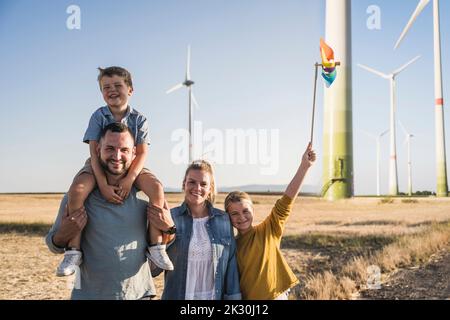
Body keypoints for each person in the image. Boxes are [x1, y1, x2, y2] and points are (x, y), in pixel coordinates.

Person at [56, 66, 172, 277]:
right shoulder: (98, 115)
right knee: (77, 191)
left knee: (156, 188)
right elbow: (93, 151)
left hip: (133, 165)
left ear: (130, 90)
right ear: (101, 92)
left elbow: (142, 153)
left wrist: (129, 180)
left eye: (118, 85)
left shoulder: (140, 119)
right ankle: (73, 251)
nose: (112, 90)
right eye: (106, 87)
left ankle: (156, 246)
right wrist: (102, 184)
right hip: (96, 164)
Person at [45, 123, 175, 299]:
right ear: (98, 149)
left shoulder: (147, 194)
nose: (117, 156)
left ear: (134, 153)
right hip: (89, 295)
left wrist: (169, 230)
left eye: (124, 150)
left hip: (139, 294)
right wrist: (63, 234)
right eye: (110, 148)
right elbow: (54, 244)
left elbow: (165, 239)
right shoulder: (79, 195)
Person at [224, 143, 316, 300]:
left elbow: (286, 201)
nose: (241, 217)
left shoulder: (268, 230)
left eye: (246, 211)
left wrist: (304, 167)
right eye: (235, 213)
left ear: (253, 211)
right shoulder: (230, 245)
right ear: (227, 216)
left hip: (276, 296)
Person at [149, 160, 241, 300]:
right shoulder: (170, 217)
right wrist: (168, 232)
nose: (197, 188)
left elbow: (231, 266)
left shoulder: (223, 220)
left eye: (203, 184)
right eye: (192, 182)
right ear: (184, 184)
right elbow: (154, 270)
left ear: (210, 188)